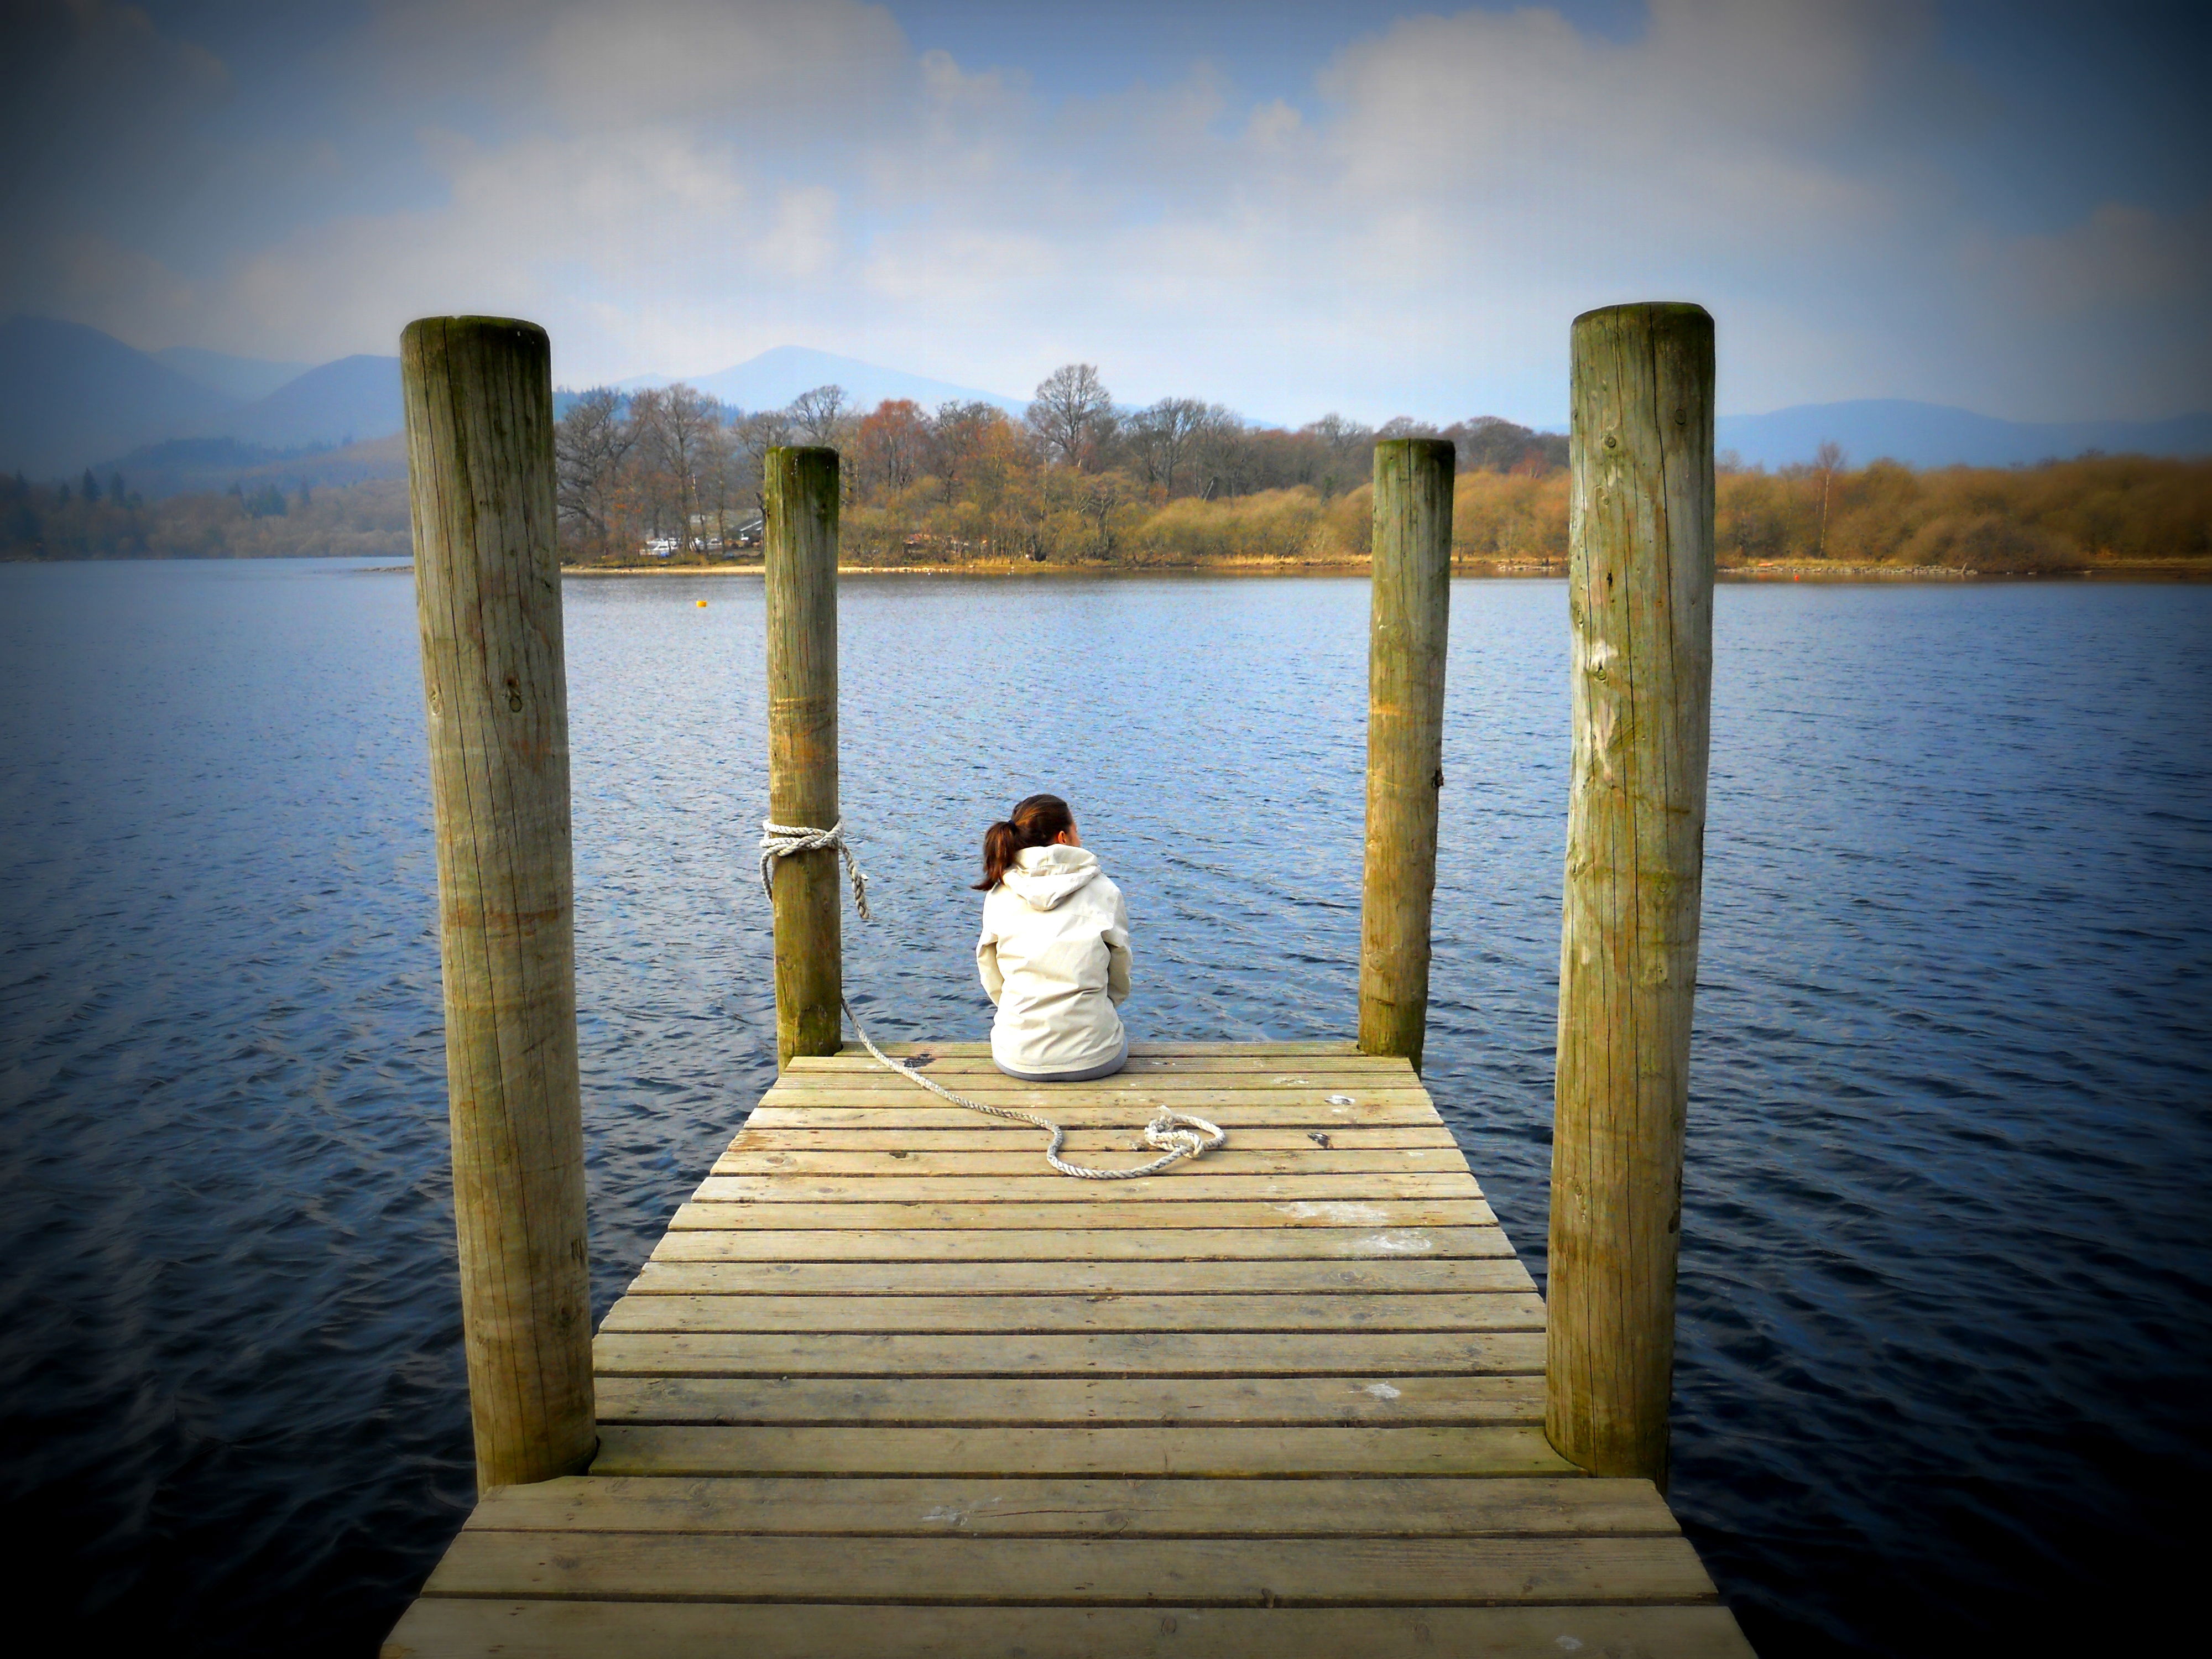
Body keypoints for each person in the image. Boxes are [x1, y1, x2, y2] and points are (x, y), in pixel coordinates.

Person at [974, 794, 1131, 1081]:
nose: (1080, 838)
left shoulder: (999, 894)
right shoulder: (1105, 892)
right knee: (1113, 1040)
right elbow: (1119, 976)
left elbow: (991, 973)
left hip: (1017, 1056)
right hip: (1095, 1056)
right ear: (1063, 838)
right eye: (1076, 831)